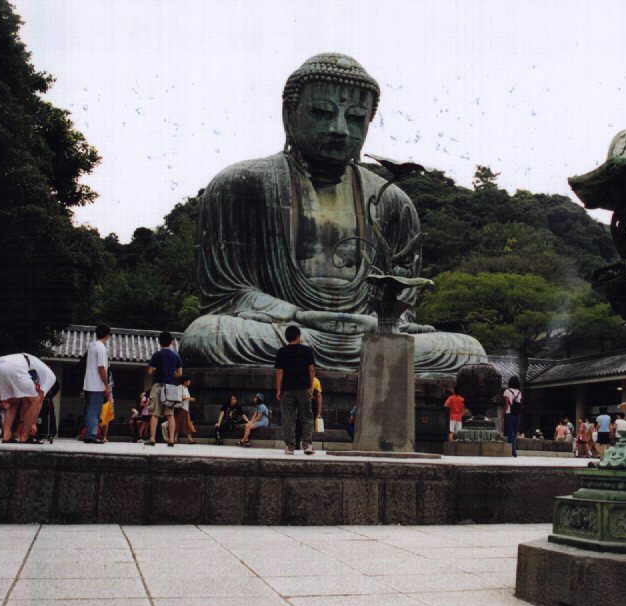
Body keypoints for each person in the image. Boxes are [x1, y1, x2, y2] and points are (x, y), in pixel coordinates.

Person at [180, 53, 486, 374]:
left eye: (355, 118)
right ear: (289, 114)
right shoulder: (242, 184)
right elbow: (227, 295)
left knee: (469, 352)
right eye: (322, 112)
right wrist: (298, 315)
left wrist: (378, 321)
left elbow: (401, 305)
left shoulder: (393, 202)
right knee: (207, 335)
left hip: (366, 334)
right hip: (287, 331)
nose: (339, 129)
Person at [0, 353, 56, 444]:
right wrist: (33, 424)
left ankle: (6, 436)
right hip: (16, 367)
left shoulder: (38, 368)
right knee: (35, 401)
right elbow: (39, 400)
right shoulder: (51, 377)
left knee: (14, 403)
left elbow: (25, 401)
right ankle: (24, 437)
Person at [276, 326, 317, 455]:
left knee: (288, 417)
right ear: (298, 336)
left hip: (287, 389)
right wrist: (311, 387)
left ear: (286, 337)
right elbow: (311, 370)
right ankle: (307, 444)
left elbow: (279, 372)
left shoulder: (281, 352)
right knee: (306, 416)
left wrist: (278, 389)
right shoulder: (307, 351)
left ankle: (290, 446)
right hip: (304, 388)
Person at [147, 331, 183, 447]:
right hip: (170, 387)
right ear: (171, 342)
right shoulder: (176, 356)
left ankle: (152, 438)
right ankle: (171, 439)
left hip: (158, 385)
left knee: (154, 414)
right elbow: (179, 373)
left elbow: (150, 371)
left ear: (159, 342)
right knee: (170, 414)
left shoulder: (157, 355)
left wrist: (158, 371)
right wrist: (170, 373)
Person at [82, 324, 112, 444]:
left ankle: (90, 433)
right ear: (107, 335)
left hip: (88, 382)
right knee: (95, 410)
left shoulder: (91, 345)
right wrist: (106, 384)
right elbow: (101, 368)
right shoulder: (101, 348)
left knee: (90, 409)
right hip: (96, 383)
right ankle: (91, 434)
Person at [503, 376, 522, 457]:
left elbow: (506, 404)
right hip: (517, 414)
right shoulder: (519, 392)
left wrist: (503, 414)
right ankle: (514, 450)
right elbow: (519, 403)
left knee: (510, 431)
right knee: (514, 432)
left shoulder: (507, 391)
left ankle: (513, 451)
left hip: (509, 413)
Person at [176, 378, 197, 444]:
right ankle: (175, 438)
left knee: (186, 423)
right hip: (181, 408)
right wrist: (189, 398)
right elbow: (179, 397)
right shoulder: (180, 387)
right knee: (179, 423)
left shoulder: (186, 388)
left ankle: (188, 439)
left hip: (186, 408)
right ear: (185, 381)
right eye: (188, 381)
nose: (189, 382)